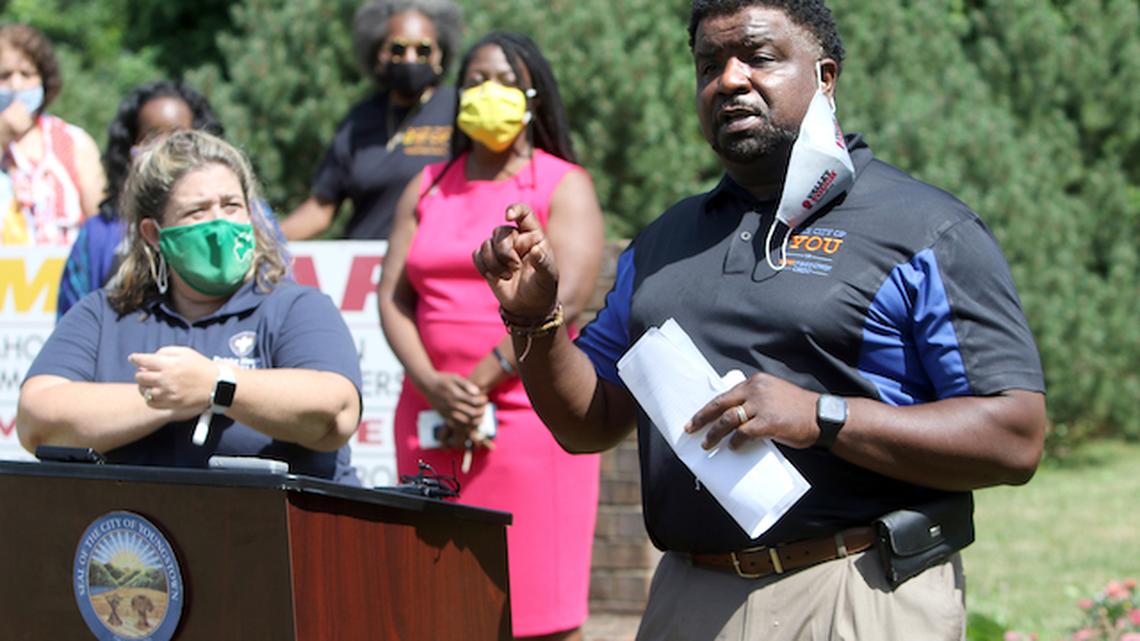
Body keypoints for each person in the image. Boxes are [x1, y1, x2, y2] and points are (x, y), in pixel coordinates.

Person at [473, 2, 1048, 640]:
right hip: (691, 596)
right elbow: (590, 423)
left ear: (825, 75)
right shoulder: (664, 243)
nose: (729, 79)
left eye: (759, 56)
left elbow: (1015, 436)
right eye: (709, 64)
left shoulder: (924, 228)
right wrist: (535, 321)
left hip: (856, 590)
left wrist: (820, 417)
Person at [379, 32, 605, 641]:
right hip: (431, 417)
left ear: (533, 95)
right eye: (476, 81)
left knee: (537, 611)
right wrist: (433, 384)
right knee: (439, 607)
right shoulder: (425, 185)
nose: (489, 92)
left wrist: (478, 383)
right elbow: (393, 299)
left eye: (505, 81)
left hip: (532, 421)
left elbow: (572, 294)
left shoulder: (563, 184)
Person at [17, 130, 362, 484]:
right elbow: (37, 421)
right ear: (153, 233)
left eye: (231, 206)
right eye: (197, 212)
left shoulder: (297, 307)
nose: (220, 224)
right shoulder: (105, 313)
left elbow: (334, 413)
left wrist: (218, 386)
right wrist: (166, 398)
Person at [279, 0, 462, 240]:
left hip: (433, 263)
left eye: (423, 50)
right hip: (364, 266)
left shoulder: (459, 111)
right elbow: (321, 209)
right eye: (398, 49)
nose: (410, 58)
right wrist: (260, 242)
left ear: (440, 55)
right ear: (380, 55)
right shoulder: (359, 120)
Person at [56, 81, 224, 319]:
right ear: (130, 147)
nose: (166, 148)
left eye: (180, 135)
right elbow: (70, 323)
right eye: (153, 136)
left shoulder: (238, 217)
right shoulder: (99, 233)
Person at [0, 23, 105, 245]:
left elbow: (100, 224)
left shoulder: (75, 142)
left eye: (26, 74)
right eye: (5, 75)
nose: (16, 84)